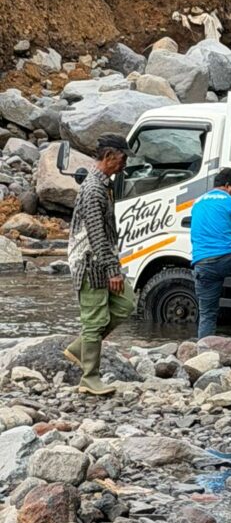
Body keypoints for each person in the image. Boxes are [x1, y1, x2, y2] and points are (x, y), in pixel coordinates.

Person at [65, 133, 136, 396]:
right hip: (89, 264)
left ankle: (79, 348)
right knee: (94, 320)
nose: (124, 164)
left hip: (101, 260)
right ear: (109, 157)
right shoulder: (93, 189)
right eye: (122, 158)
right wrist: (112, 270)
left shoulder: (102, 184)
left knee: (127, 303)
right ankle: (89, 377)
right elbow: (96, 233)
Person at [190, 167, 231, 340]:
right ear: (229, 186)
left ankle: (204, 353)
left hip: (202, 263)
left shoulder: (198, 201)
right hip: (227, 259)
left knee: (207, 313)